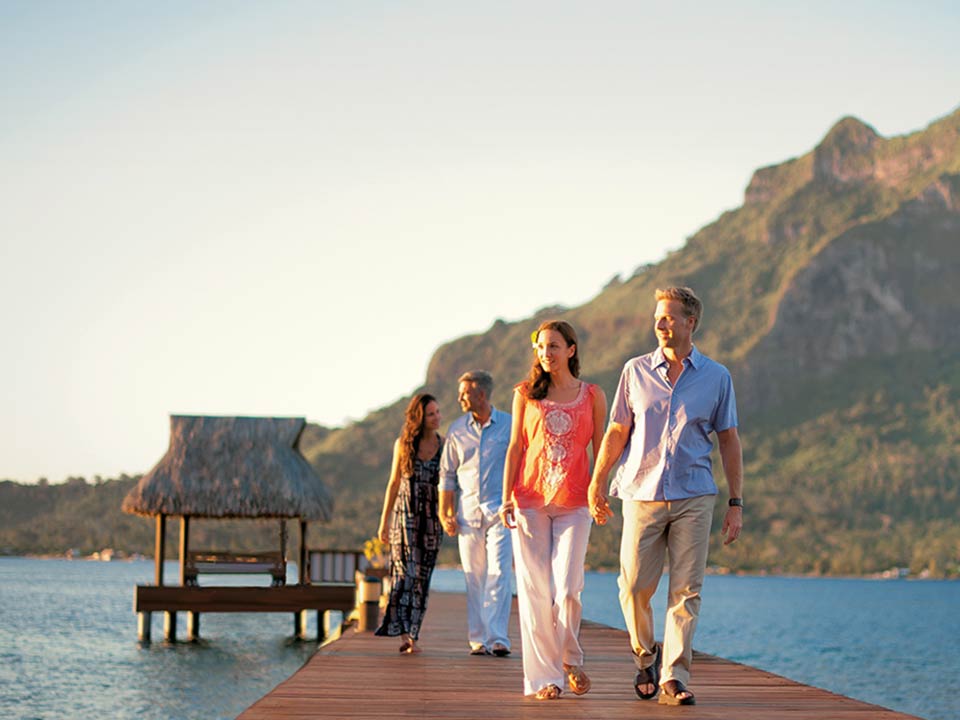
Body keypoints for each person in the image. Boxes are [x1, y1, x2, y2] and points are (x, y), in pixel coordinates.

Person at [588, 286, 743, 706]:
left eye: (670, 317)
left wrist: (735, 503)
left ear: (690, 323)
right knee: (634, 585)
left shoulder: (716, 377)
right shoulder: (634, 371)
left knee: (686, 590)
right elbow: (618, 429)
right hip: (641, 492)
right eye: (658, 317)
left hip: (695, 495)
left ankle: (674, 675)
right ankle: (645, 654)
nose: (660, 324)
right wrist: (597, 480)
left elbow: (729, 441)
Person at [500, 320, 607, 700]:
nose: (546, 353)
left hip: (575, 501)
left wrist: (599, 492)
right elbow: (515, 447)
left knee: (567, 586)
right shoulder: (525, 393)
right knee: (535, 592)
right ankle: (546, 679)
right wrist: (505, 497)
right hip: (528, 500)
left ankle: (569, 657)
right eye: (542, 347)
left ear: (571, 350)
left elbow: (600, 450)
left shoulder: (592, 394)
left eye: (554, 346)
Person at [439, 370, 514, 657]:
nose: (459, 398)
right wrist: (446, 512)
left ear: (481, 394)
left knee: (499, 573)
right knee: (474, 576)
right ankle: (478, 638)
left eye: (464, 392)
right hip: (467, 515)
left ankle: (498, 639)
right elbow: (446, 476)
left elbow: (519, 464)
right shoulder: (457, 430)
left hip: (501, 513)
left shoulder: (509, 424)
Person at [375, 393, 444, 654]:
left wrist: (449, 515)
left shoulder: (444, 445)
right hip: (405, 520)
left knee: (421, 580)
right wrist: (384, 522)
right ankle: (404, 632)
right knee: (405, 576)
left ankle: (414, 632)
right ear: (420, 418)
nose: (437, 418)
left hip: (431, 523)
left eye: (438, 412)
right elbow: (393, 484)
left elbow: (449, 486)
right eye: (431, 414)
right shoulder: (403, 445)